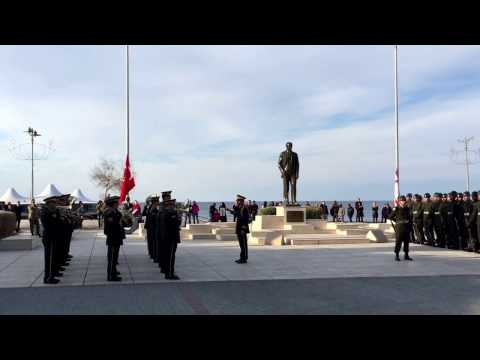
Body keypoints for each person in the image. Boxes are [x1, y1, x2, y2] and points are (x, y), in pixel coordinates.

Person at [103, 195, 125, 281]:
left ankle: (114, 271)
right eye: (117, 202)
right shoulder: (109, 212)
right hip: (113, 237)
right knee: (112, 257)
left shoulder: (114, 211)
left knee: (115, 256)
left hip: (116, 236)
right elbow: (112, 224)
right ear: (113, 203)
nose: (118, 203)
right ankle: (111, 275)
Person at [40, 196, 61, 284]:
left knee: (52, 258)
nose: (55, 204)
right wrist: (55, 213)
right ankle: (48, 277)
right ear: (49, 203)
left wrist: (56, 212)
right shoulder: (46, 212)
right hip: (49, 237)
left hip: (52, 236)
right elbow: (53, 222)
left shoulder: (50, 211)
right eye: (54, 203)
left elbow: (58, 220)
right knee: (49, 258)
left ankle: (50, 276)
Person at [389, 195, 413, 261]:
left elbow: (410, 218)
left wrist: (410, 227)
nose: (403, 202)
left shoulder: (407, 209)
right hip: (399, 228)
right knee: (398, 242)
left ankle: (406, 255)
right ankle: (397, 255)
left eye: (404, 200)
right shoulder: (396, 209)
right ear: (399, 202)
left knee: (406, 242)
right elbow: (390, 216)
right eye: (402, 200)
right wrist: (397, 221)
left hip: (406, 227)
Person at [162, 199, 182, 280]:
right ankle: (170, 274)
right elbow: (175, 225)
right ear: (170, 205)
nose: (174, 207)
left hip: (169, 237)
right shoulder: (170, 213)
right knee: (170, 257)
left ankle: (168, 272)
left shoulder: (167, 213)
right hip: (171, 238)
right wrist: (179, 217)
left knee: (169, 256)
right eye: (173, 205)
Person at [229, 195, 250, 264]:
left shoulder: (244, 208)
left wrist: (243, 229)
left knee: (243, 244)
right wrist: (232, 209)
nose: (236, 202)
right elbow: (237, 214)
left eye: (238, 200)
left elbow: (245, 219)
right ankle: (243, 257)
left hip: (242, 229)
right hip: (239, 229)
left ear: (241, 201)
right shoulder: (240, 208)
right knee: (242, 244)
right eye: (236, 200)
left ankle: (243, 259)